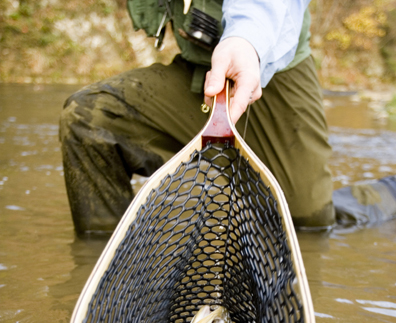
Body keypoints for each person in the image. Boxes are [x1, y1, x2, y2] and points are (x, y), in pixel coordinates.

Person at [60, 0, 335, 235]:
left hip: (270, 66)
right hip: (200, 73)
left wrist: (246, 40)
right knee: (89, 119)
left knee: (307, 219)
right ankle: (102, 262)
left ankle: (375, 196)